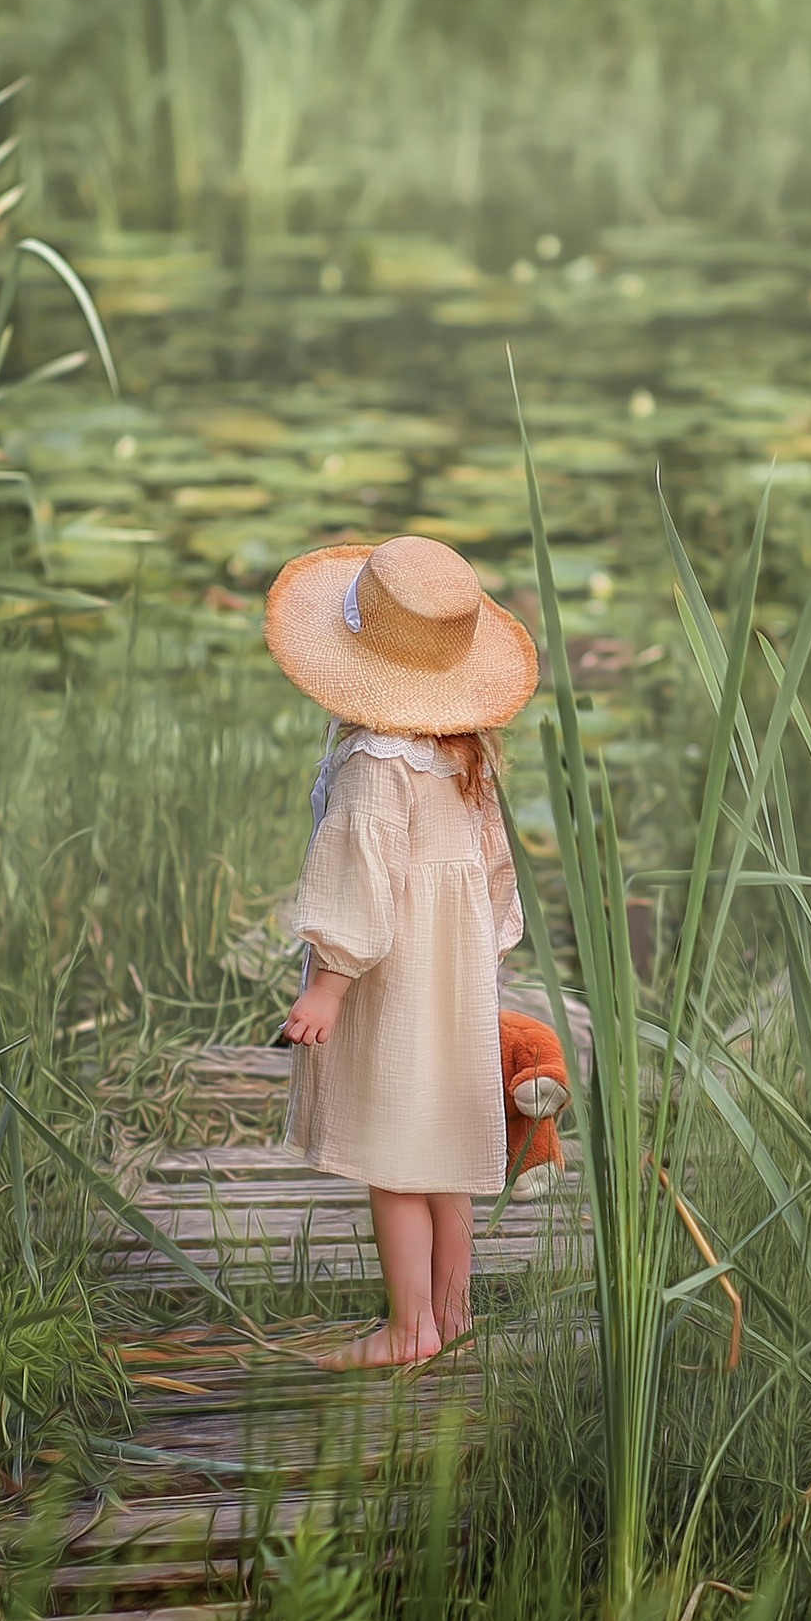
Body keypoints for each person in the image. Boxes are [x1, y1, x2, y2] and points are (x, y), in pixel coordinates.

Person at [264, 535, 539, 1370]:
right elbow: (496, 873)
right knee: (445, 1151)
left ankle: (409, 1326)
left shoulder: (372, 763)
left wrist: (329, 987)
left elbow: (357, 883)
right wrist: (481, 958)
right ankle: (453, 1315)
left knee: (393, 1156)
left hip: (389, 979)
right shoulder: (465, 754)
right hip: (451, 977)